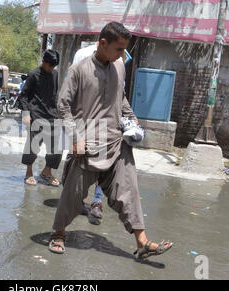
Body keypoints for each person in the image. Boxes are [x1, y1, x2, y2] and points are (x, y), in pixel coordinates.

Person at [49, 22, 173, 260]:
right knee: (72, 194)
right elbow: (62, 105)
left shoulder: (119, 67)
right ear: (103, 43)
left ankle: (142, 243)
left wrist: (133, 123)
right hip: (87, 145)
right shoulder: (79, 70)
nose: (122, 55)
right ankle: (59, 233)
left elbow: (121, 98)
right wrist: (75, 137)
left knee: (129, 191)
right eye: (119, 49)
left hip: (117, 143)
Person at [72, 42, 133, 222]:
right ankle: (78, 201)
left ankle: (97, 202)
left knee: (104, 163)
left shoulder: (120, 59)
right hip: (85, 120)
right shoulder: (83, 55)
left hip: (108, 122)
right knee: (80, 163)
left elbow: (120, 92)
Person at [19, 50, 62, 187]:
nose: (51, 69)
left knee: (56, 147)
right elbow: (23, 95)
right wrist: (26, 113)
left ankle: (46, 172)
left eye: (54, 66)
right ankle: (29, 172)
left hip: (52, 115)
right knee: (33, 145)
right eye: (50, 66)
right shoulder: (33, 74)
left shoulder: (55, 74)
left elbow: (55, 94)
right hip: (36, 114)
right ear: (43, 61)